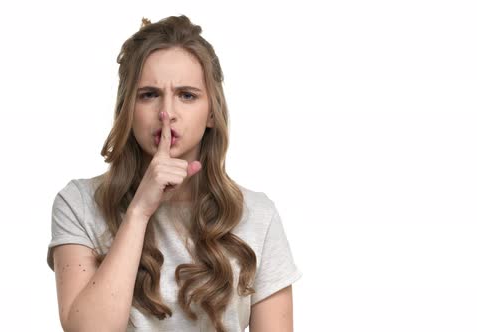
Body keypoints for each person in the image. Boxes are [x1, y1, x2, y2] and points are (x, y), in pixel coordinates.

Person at [46, 15, 303, 332]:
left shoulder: (258, 216)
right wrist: (139, 211)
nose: (167, 113)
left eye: (187, 95)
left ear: (211, 112)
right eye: (149, 94)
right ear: (127, 108)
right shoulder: (79, 203)